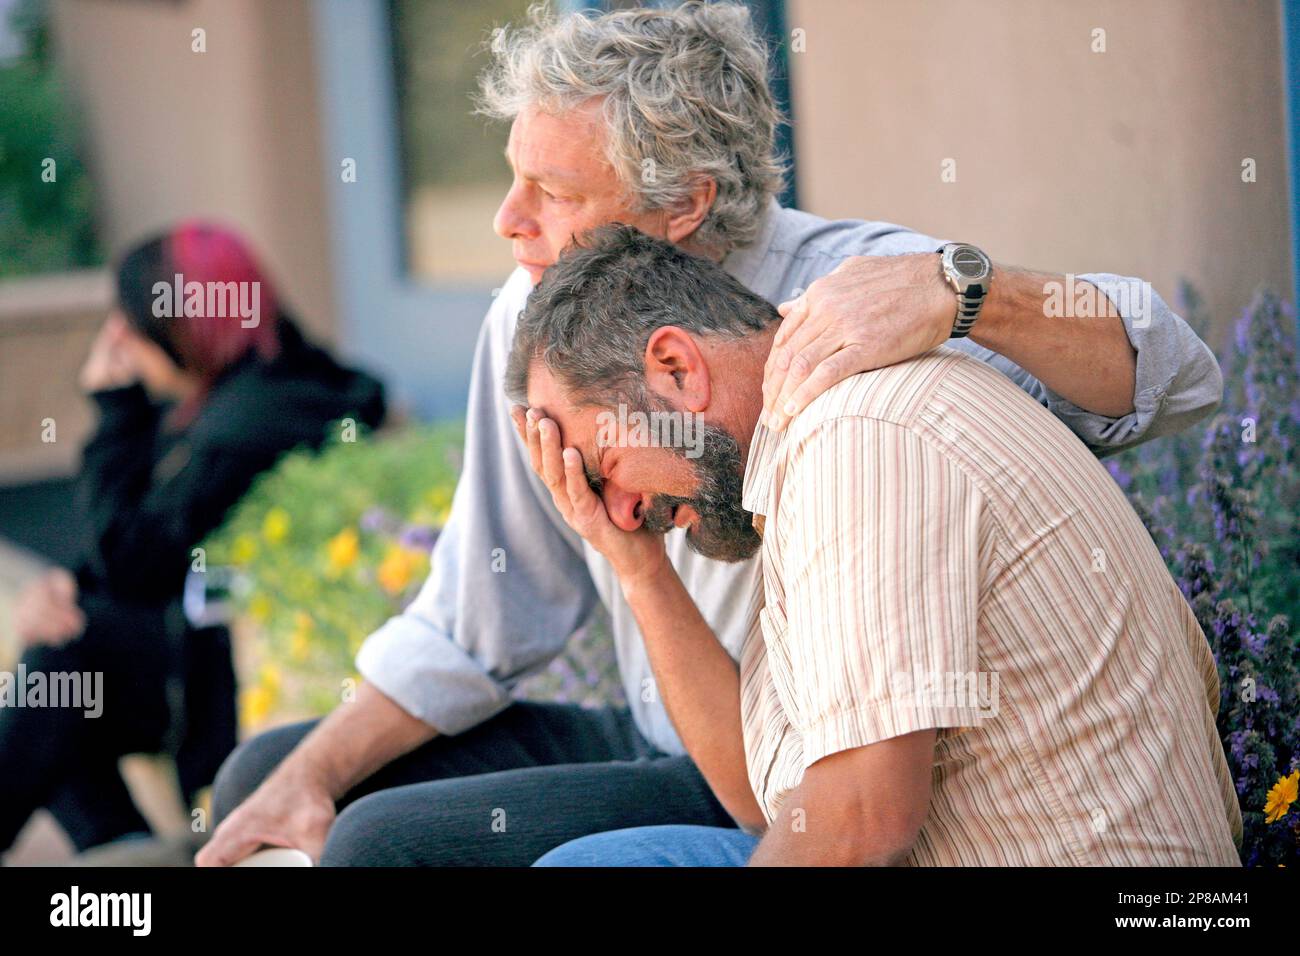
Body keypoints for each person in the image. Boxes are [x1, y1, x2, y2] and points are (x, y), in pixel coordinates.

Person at [199, 2, 1223, 868]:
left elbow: (1172, 369)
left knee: (382, 842)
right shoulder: (530, 314)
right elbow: (481, 616)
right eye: (512, 178)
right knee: (271, 776)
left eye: (553, 194)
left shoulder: (858, 314)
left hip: (791, 759)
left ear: (683, 204)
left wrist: (968, 291)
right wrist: (308, 775)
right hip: (682, 727)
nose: (508, 223)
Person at [519, 224, 1241, 866]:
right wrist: (635, 565)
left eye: (602, 465)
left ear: (676, 368)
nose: (623, 510)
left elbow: (863, 817)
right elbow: (763, 801)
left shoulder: (853, 439)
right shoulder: (792, 459)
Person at [1, 221, 385, 857]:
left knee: (64, 661)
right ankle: (124, 855)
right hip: (207, 645)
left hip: (231, 677)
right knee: (63, 664)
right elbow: (139, 547)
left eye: (131, 327)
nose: (119, 344)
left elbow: (133, 559)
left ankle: (123, 854)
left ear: (184, 329)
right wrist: (62, 587)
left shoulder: (250, 422)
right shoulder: (256, 392)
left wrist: (114, 407)